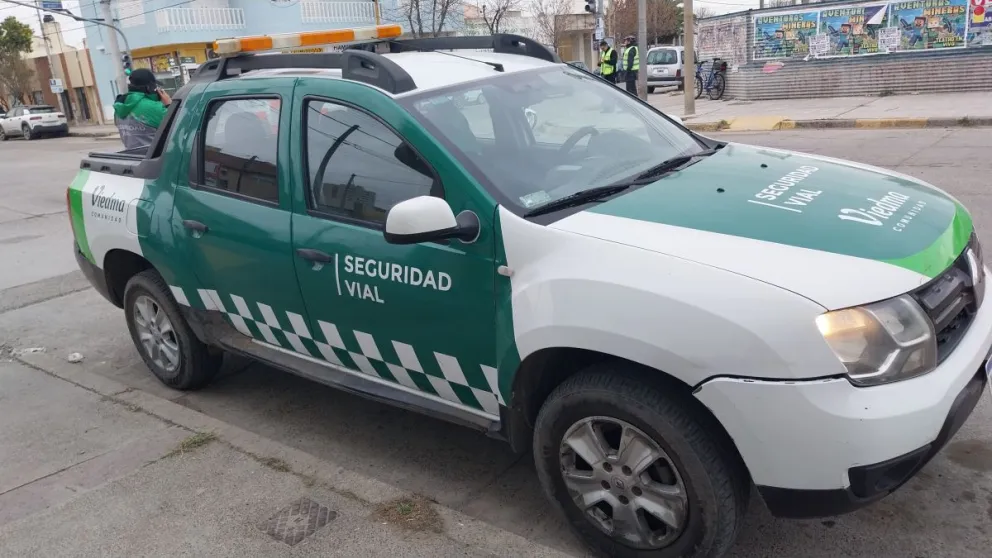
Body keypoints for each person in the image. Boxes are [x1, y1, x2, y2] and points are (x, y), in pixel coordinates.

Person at [113, 68, 172, 149]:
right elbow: (177, 126)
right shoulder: (154, 107)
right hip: (153, 158)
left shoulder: (119, 107)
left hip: (131, 156)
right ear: (150, 87)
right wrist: (169, 105)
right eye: (156, 87)